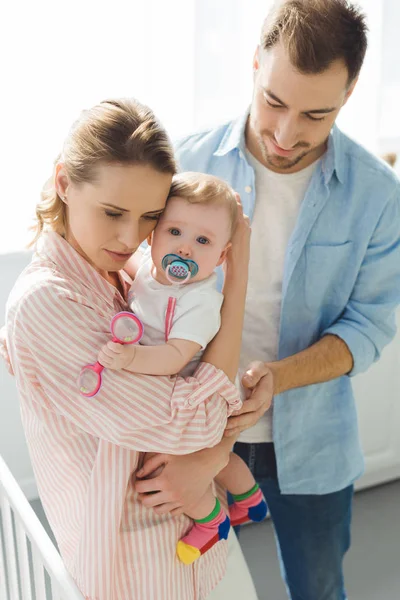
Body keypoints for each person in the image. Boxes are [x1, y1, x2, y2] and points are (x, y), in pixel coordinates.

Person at [132, 1, 400, 598]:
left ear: (350, 92)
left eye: (315, 114)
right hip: (185, 433)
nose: (285, 134)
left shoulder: (379, 196)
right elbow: (125, 266)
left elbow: (370, 326)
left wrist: (278, 376)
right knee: (173, 582)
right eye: (274, 101)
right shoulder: (183, 163)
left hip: (313, 445)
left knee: (318, 588)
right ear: (254, 64)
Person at [0, 98, 259, 600]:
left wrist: (210, 454)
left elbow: (200, 391)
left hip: (195, 545)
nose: (130, 236)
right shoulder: (48, 302)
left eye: (149, 217)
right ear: (64, 184)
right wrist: (239, 279)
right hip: (142, 568)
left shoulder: (123, 271)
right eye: (113, 212)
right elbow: (199, 419)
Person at [97, 171, 267, 565]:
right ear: (152, 236)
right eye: (175, 232)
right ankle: (250, 499)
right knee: (218, 457)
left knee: (169, 464)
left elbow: (175, 355)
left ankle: (211, 521)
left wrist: (131, 358)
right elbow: (131, 270)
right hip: (178, 387)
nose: (186, 249)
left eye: (203, 241)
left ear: (223, 256)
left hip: (191, 396)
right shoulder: (151, 272)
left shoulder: (198, 301)